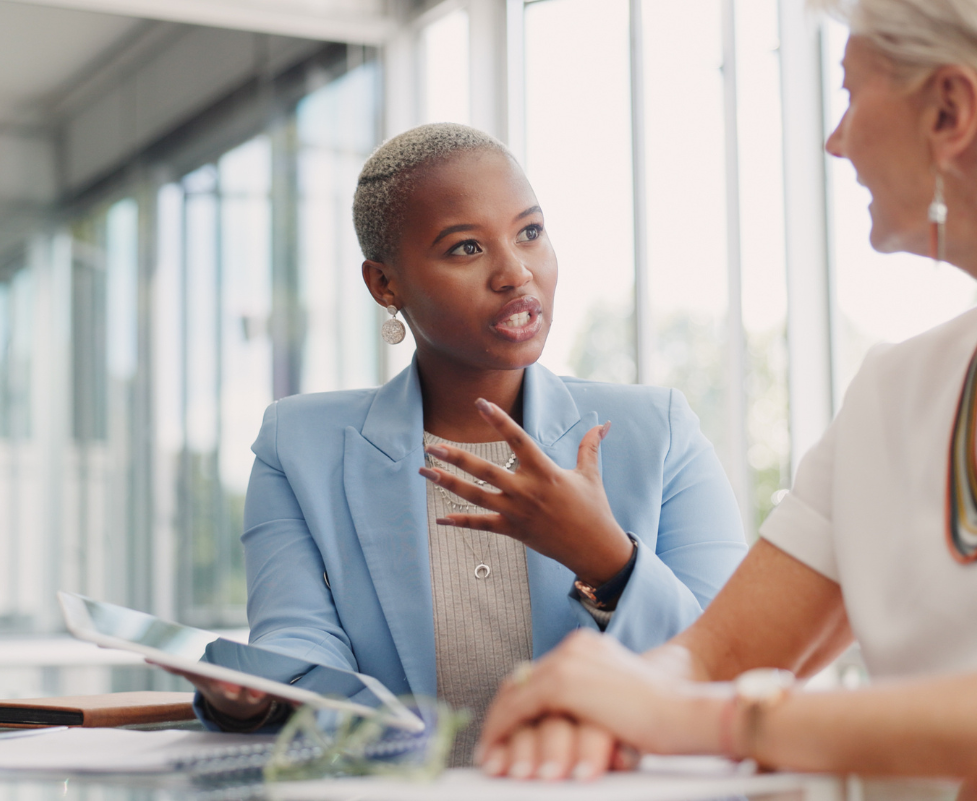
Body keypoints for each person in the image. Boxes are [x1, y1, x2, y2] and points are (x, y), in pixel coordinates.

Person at [468, 0, 977, 791]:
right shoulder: (898, 386)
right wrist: (600, 704)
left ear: (951, 111)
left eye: (850, 95)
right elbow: (718, 656)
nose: (835, 140)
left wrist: (724, 720)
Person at [176, 123, 747, 766]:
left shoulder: (657, 431)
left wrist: (610, 562)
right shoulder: (298, 448)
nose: (514, 272)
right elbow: (301, 648)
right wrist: (250, 697)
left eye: (530, 232)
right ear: (384, 285)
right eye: (466, 247)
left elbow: (736, 666)